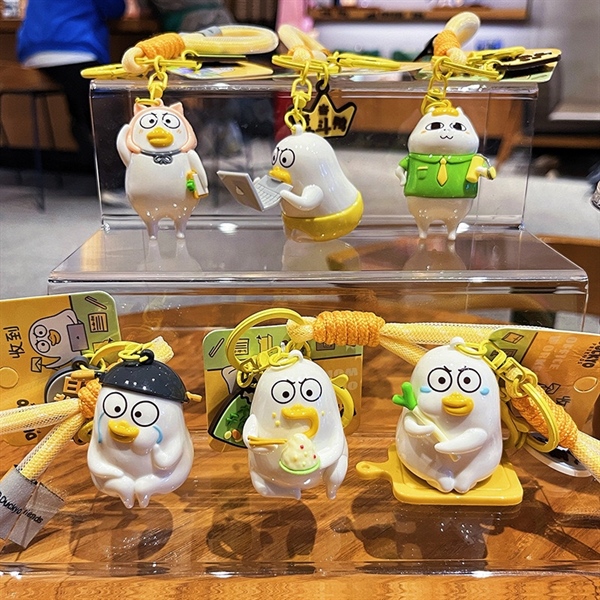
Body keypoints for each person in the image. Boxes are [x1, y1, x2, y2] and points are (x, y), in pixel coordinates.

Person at [16, 0, 133, 170]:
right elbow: (115, 9)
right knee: (106, 106)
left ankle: (87, 151)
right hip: (75, 46)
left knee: (80, 104)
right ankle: (114, 172)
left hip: (32, 51)